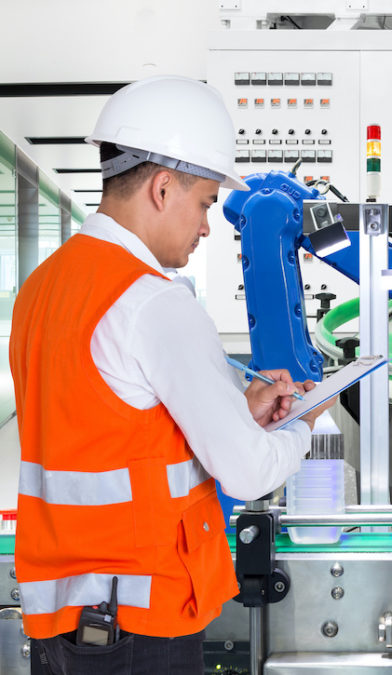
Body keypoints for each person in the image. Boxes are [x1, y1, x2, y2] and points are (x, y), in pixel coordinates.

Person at [9, 75, 335, 673]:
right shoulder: (151, 301)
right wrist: (303, 425)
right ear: (163, 187)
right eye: (207, 202)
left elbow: (107, 428)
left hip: (64, 623)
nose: (207, 225)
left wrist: (239, 413)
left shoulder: (43, 288)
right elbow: (246, 469)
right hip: (139, 621)